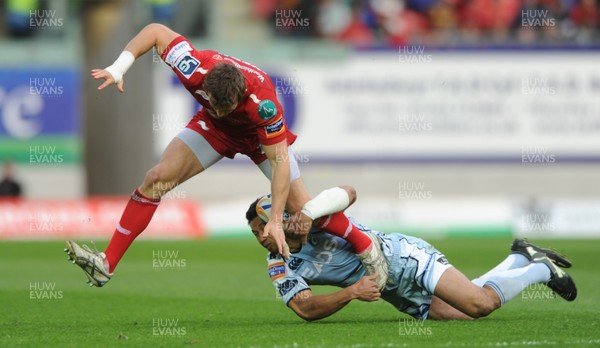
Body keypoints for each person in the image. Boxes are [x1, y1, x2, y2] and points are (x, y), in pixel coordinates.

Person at [64, 23, 387, 288]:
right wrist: (120, 67)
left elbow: (280, 163)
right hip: (214, 129)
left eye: (226, 105)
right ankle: (107, 262)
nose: (220, 107)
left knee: (303, 210)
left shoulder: (264, 105)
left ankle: (363, 243)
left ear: (240, 96)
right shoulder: (194, 66)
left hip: (256, 139)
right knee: (156, 179)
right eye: (213, 101)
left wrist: (275, 220)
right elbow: (154, 31)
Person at [246, 186, 577, 321]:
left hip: (406, 259)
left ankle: (543, 270)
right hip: (394, 291)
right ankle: (520, 257)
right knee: (466, 310)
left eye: (262, 226)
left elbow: (348, 191)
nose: (260, 236)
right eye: (254, 232)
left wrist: (309, 209)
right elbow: (304, 309)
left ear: (280, 220)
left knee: (479, 305)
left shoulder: (313, 220)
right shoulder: (278, 264)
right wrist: (352, 293)